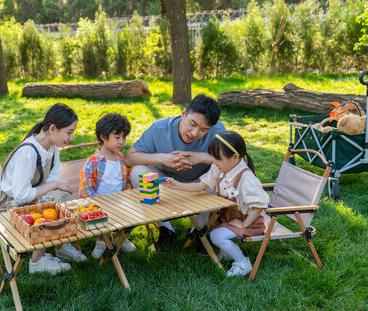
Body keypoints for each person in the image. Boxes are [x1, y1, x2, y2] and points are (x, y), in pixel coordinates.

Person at [0, 103, 87, 275]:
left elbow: (54, 176)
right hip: (7, 206)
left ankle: (61, 245)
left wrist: (54, 187)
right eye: (69, 132)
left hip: (28, 198)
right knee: (54, 198)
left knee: (62, 195)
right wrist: (53, 187)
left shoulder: (52, 147)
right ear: (53, 128)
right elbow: (21, 195)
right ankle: (37, 261)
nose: (71, 138)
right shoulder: (28, 152)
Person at [124, 93, 226, 249]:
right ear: (183, 113)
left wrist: (200, 157)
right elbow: (130, 158)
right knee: (138, 172)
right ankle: (166, 228)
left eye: (203, 130)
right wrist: (162, 158)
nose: (194, 133)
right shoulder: (159, 128)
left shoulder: (218, 130)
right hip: (166, 181)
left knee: (223, 177)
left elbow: (233, 161)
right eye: (192, 123)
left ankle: (200, 229)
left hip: (200, 184)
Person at [163, 131, 269, 277]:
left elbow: (259, 205)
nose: (214, 162)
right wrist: (178, 185)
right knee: (202, 223)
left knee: (217, 236)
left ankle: (243, 263)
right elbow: (201, 185)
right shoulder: (219, 168)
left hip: (247, 221)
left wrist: (244, 224)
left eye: (218, 159)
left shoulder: (246, 178)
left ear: (235, 158)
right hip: (226, 217)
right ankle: (226, 252)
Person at [79, 113, 137, 259]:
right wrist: (100, 205)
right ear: (104, 137)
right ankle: (102, 240)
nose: (122, 142)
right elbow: (86, 190)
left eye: (124, 137)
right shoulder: (93, 162)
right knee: (101, 219)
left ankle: (120, 238)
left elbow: (127, 184)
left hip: (120, 203)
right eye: (117, 138)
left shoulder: (122, 160)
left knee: (136, 213)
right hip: (99, 206)